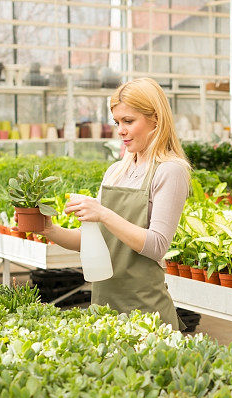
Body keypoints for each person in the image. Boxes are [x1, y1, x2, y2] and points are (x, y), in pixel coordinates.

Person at [40, 77, 190, 330]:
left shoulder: (170, 171)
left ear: (156, 118)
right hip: (104, 306)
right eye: (117, 122)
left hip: (145, 312)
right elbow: (90, 241)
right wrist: (49, 230)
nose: (120, 130)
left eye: (129, 121)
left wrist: (103, 213)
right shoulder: (115, 172)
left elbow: (157, 246)